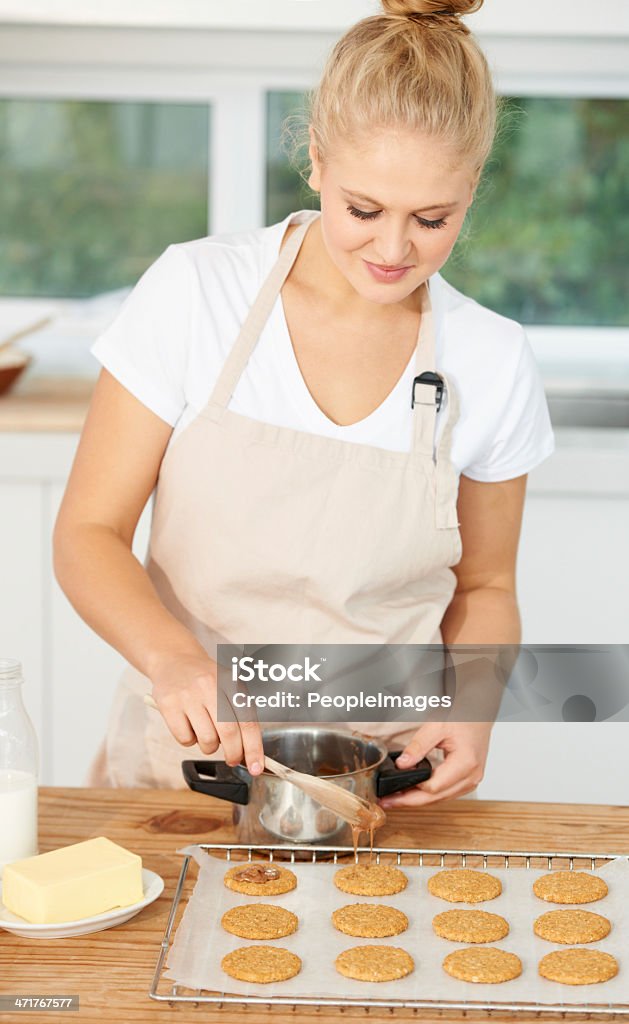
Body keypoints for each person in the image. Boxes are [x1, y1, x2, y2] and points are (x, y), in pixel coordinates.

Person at [53, 0, 554, 805]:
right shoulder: (197, 293)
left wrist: (475, 704)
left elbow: (487, 588)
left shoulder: (491, 358)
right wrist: (174, 659)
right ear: (315, 160)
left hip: (385, 782)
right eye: (363, 210)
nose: (393, 251)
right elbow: (87, 533)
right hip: (191, 767)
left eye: (433, 219)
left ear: (472, 189)